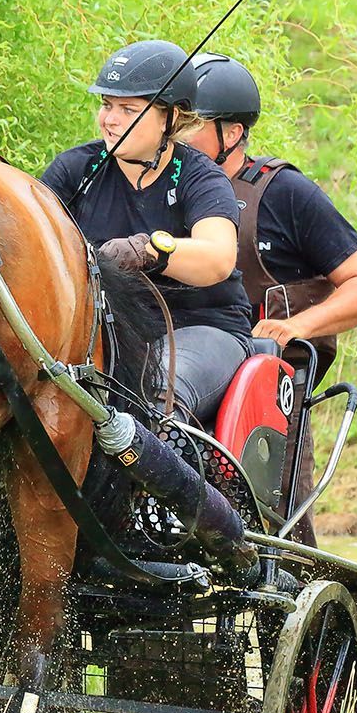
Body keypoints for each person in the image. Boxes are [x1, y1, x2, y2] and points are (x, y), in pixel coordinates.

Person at [186, 53, 357, 546]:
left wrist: (297, 327)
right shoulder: (165, 185)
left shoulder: (285, 193)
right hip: (185, 367)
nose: (174, 135)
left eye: (189, 124)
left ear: (230, 134)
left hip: (268, 388)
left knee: (281, 531)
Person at [41, 40, 254, 425]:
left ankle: (165, 484)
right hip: (105, 331)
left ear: (171, 119)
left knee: (158, 398)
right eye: (106, 105)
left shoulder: (199, 177)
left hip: (201, 325)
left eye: (128, 109)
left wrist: (149, 250)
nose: (110, 119)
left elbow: (219, 259)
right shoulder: (75, 170)